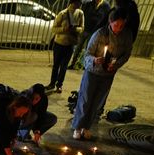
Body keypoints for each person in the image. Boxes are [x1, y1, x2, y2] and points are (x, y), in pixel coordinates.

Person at [71, 8, 133, 140]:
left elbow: (126, 54)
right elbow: (87, 54)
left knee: (97, 102)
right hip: (92, 72)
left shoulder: (126, 36)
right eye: (116, 25)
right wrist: (94, 60)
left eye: (122, 26)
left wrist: (115, 65)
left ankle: (86, 127)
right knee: (85, 100)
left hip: (108, 74)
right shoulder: (99, 34)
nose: (118, 28)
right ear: (110, 22)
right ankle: (77, 127)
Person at [48, 0, 84, 93]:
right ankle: (52, 83)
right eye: (78, 2)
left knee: (64, 66)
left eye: (80, 3)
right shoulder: (63, 14)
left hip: (70, 44)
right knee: (56, 65)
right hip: (59, 44)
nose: (79, 5)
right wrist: (65, 28)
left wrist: (75, 29)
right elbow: (54, 28)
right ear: (72, 3)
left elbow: (82, 28)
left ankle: (59, 85)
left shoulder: (80, 13)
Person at [69, 0, 110, 69]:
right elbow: (82, 14)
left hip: (95, 31)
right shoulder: (88, 4)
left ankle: (84, 65)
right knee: (78, 47)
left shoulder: (106, 6)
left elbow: (106, 19)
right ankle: (73, 63)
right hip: (85, 29)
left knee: (88, 49)